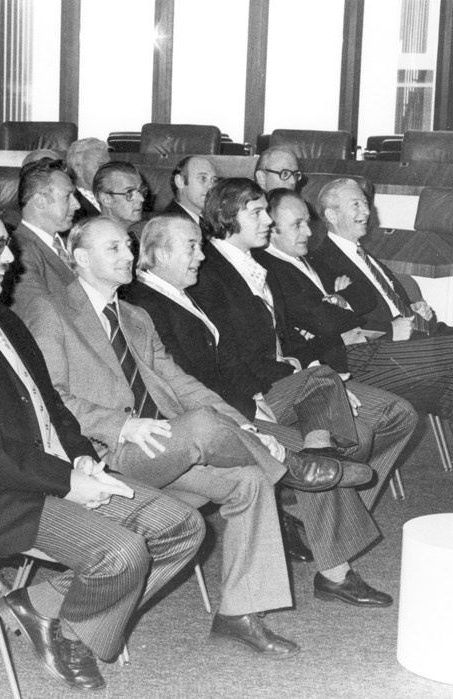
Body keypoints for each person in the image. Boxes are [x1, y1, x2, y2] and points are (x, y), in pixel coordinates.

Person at [0, 203, 204, 691]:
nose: (10, 260)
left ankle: (44, 608)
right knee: (122, 553)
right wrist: (66, 481)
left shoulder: (3, 316)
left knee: (183, 526)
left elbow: (50, 402)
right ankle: (76, 636)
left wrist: (81, 454)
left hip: (52, 469)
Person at [28, 215, 319, 657]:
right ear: (80, 258)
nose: (128, 255)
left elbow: (181, 384)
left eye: (128, 246)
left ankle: (239, 612)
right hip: (107, 452)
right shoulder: (52, 309)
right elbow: (49, 394)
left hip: (161, 445)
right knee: (204, 426)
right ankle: (291, 467)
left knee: (250, 480)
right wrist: (119, 424)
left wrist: (243, 426)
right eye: (114, 249)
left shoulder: (135, 316)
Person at [126, 214, 401, 606]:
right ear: (158, 253)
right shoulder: (143, 305)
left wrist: (255, 391)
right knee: (312, 457)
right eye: (191, 247)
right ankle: (335, 573)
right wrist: (245, 405)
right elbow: (180, 382)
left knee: (321, 378)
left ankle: (322, 453)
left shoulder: (185, 293)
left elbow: (229, 357)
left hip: (241, 397)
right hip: (208, 417)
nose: (201, 256)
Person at [191, 178, 418, 513]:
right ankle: (318, 527)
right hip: (258, 389)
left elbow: (289, 337)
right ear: (228, 216)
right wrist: (312, 378)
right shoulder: (208, 271)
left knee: (397, 415)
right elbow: (227, 355)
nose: (267, 221)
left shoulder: (255, 265)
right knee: (354, 436)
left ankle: (309, 508)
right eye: (258, 213)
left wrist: (315, 372)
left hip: (295, 374)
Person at [267, 181, 453, 422]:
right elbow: (326, 321)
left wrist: (343, 301)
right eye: (356, 204)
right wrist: (346, 305)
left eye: (366, 203)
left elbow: (364, 295)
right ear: (332, 215)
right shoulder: (317, 257)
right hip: (371, 349)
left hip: (408, 337)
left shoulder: (335, 258)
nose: (366, 211)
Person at [7, 158, 79, 323]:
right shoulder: (18, 251)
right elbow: (40, 316)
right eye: (68, 197)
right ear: (40, 201)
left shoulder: (73, 242)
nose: (77, 205)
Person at [92, 161, 148, 234]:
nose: (141, 199)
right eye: (130, 193)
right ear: (105, 199)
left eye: (141, 191)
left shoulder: (146, 231)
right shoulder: (93, 239)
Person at [66, 137, 110, 222]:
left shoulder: (117, 194)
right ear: (79, 169)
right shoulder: (72, 206)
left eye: (110, 165)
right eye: (101, 166)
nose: (109, 171)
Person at [166, 155, 219, 223]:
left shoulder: (210, 220)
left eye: (214, 180)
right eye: (202, 178)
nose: (211, 186)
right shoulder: (170, 225)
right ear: (180, 182)